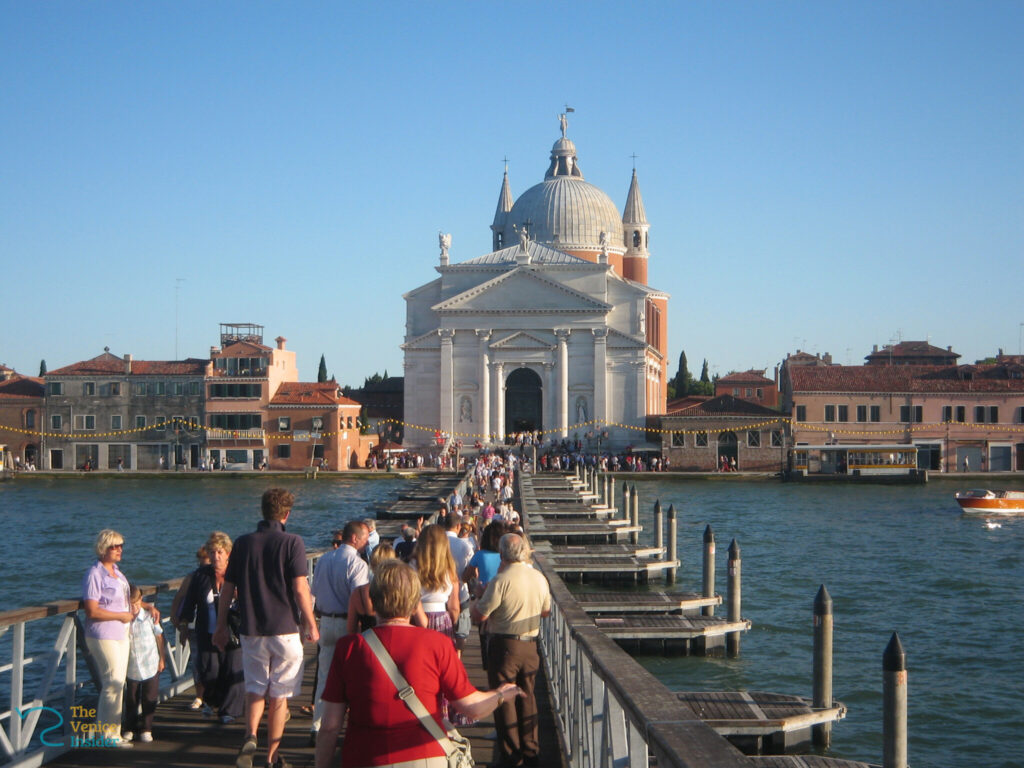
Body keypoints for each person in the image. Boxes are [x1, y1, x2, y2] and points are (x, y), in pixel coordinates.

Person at [314, 561, 523, 768]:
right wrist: (501, 694)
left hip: (365, 758)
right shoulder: (437, 644)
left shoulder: (349, 648)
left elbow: (330, 726)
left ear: (374, 601)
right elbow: (471, 708)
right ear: (416, 603)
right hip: (424, 756)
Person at [213, 488, 319, 768]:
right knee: (279, 697)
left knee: (255, 690)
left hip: (252, 630)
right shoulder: (292, 542)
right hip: (284, 629)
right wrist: (310, 622)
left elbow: (227, 591)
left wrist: (221, 626)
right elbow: (299, 588)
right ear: (287, 514)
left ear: (262, 511)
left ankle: (250, 735)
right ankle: (272, 758)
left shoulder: (243, 544)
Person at [473, 533, 551, 768]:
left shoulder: (502, 580)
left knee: (504, 699)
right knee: (527, 698)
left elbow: (480, 615)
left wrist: (479, 596)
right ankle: (531, 751)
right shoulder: (539, 578)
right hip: (530, 644)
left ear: (502, 554)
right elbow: (546, 611)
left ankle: (511, 755)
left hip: (505, 645)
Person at [81, 530, 156, 748]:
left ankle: (109, 730)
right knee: (112, 682)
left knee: (117, 682)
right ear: (103, 548)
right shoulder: (94, 574)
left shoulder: (117, 573)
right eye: (115, 546)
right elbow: (91, 610)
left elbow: (125, 600)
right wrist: (121, 616)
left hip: (121, 634)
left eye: (121, 545)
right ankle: (107, 734)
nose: (120, 549)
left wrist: (145, 605)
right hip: (103, 634)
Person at [310, 520, 369, 743]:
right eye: (364, 539)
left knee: (324, 676)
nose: (365, 544)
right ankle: (349, 727)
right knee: (351, 678)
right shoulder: (357, 563)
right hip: (348, 622)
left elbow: (314, 593)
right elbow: (358, 598)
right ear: (354, 538)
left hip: (325, 620)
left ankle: (317, 726)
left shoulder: (324, 559)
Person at [176, 532, 245, 723]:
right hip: (207, 631)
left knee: (233, 669)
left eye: (220, 552)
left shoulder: (238, 573)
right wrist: (183, 625)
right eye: (212, 552)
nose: (216, 556)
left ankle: (229, 711)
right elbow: (189, 602)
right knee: (210, 670)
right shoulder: (200, 576)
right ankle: (213, 701)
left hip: (234, 632)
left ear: (228, 553)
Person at [122, 585, 165, 743]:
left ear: (141, 601)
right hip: (132, 665)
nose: (133, 608)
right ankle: (129, 727)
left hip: (150, 663)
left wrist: (162, 659)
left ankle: (146, 728)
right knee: (131, 699)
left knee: (149, 697)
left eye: (136, 604)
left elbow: (159, 638)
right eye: (130, 604)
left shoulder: (148, 617)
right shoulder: (124, 620)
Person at [170, 545, 211, 710]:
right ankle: (199, 696)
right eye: (200, 563)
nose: (202, 566)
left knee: (215, 662)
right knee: (197, 662)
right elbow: (179, 598)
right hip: (195, 625)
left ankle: (214, 695)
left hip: (215, 624)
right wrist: (176, 619)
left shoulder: (221, 576)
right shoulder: (192, 577)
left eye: (206, 563)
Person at [443, 513, 474, 655]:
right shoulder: (464, 545)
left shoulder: (436, 542)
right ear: (458, 526)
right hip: (461, 591)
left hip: (439, 593)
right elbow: (472, 570)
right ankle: (457, 656)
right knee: (461, 631)